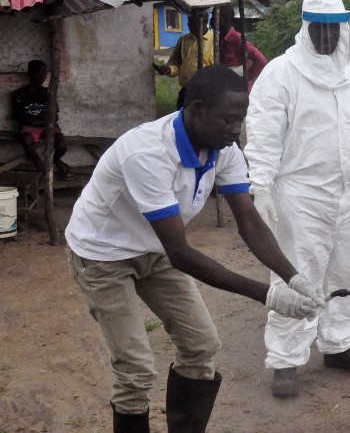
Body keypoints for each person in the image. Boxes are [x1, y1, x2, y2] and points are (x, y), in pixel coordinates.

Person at [65, 65, 323, 432]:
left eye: (241, 120)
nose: (237, 130)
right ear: (197, 109)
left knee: (201, 347)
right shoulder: (148, 152)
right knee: (136, 368)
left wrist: (294, 278)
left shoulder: (223, 149)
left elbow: (249, 222)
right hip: (103, 255)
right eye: (229, 119)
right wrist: (268, 295)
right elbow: (181, 253)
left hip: (154, 250)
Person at [245, 0, 350, 399]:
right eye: (320, 30)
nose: (328, 38)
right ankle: (285, 359)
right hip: (301, 195)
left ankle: (341, 345)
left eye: (335, 30)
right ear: (306, 28)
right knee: (298, 273)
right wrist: (259, 185)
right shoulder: (281, 73)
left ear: (343, 29)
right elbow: (263, 134)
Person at [11, 59, 71, 178]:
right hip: (30, 128)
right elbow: (18, 117)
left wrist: (35, 121)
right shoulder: (19, 94)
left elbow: (54, 116)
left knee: (61, 144)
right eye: (39, 73)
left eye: (44, 74)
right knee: (26, 139)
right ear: (30, 74)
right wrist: (35, 121)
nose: (42, 76)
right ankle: (42, 169)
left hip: (47, 126)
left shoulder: (48, 93)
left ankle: (56, 160)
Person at [156, 10, 214, 110]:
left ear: (203, 22)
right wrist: (169, 69)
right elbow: (175, 62)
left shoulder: (214, 42)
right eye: (188, 22)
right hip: (186, 91)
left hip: (205, 93)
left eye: (192, 23)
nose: (189, 26)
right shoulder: (184, 39)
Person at [215, 4, 268, 91]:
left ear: (225, 19)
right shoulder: (218, 38)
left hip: (238, 91)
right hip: (225, 88)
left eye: (215, 16)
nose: (211, 20)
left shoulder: (237, 39)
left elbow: (261, 60)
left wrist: (245, 79)